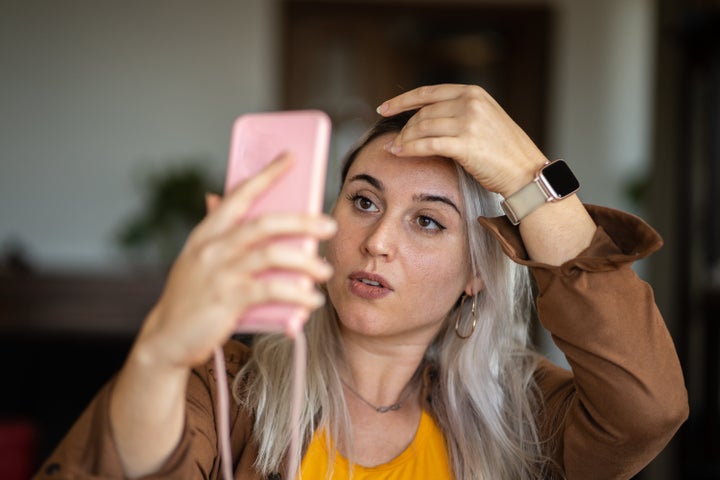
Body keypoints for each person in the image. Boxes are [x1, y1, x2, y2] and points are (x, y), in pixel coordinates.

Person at [36, 84, 688, 479]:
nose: (377, 242)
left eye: (428, 222)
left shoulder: (523, 417)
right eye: (365, 202)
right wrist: (157, 355)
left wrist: (529, 177)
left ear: (476, 277)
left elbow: (647, 410)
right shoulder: (226, 390)